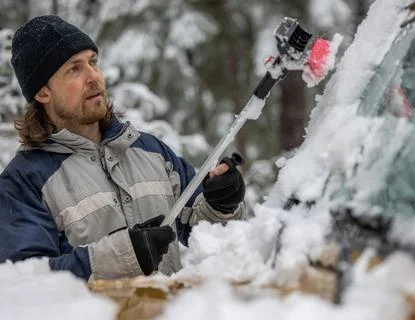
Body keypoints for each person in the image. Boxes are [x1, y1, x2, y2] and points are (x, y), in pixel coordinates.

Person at [0, 15, 246, 281]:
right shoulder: (24, 182)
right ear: (43, 93)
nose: (93, 76)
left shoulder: (150, 150)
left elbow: (207, 233)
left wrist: (222, 203)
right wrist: (124, 256)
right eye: (74, 68)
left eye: (93, 62)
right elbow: (23, 283)